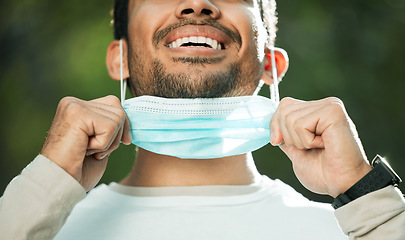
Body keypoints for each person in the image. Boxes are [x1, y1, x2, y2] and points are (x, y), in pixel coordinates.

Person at [0, 0, 404, 239]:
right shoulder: (39, 225)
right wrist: (46, 181)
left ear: (271, 64)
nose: (196, 3)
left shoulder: (355, 228)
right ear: (118, 58)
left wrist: (364, 195)